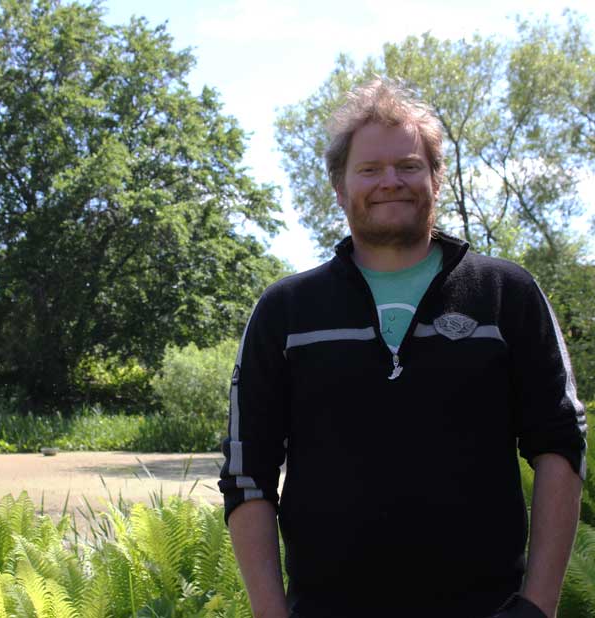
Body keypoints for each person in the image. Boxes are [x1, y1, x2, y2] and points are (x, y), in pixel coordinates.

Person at [218, 78, 587, 618]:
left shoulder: (507, 295)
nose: (391, 181)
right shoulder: (286, 310)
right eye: (369, 169)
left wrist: (538, 606)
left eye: (409, 165)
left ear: (436, 179)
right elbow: (247, 469)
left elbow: (560, 443)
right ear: (340, 189)